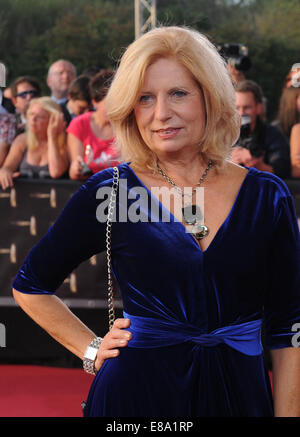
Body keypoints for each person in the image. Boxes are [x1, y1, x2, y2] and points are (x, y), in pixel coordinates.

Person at [11, 26, 300, 417]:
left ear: (210, 99)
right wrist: (91, 348)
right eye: (145, 98)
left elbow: (289, 327)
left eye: (178, 93)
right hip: (135, 398)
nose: (161, 114)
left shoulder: (267, 195)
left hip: (239, 394)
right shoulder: (110, 191)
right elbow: (30, 285)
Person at [0, 97, 68, 189]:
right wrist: (5, 172)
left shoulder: (64, 142)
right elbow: (8, 166)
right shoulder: (22, 140)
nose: (33, 119)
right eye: (31, 114)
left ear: (53, 120)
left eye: (40, 117)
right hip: (26, 200)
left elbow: (55, 172)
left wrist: (52, 137)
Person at [231, 80, 291, 179]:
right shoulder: (223, 135)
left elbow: (283, 170)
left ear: (258, 108)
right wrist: (228, 163)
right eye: (237, 108)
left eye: (247, 107)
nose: (241, 113)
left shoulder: (272, 134)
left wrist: (259, 166)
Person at [67, 69, 119, 180]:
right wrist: (77, 169)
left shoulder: (128, 125)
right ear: (95, 101)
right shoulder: (79, 124)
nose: (115, 109)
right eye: (109, 103)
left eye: (119, 102)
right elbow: (74, 169)